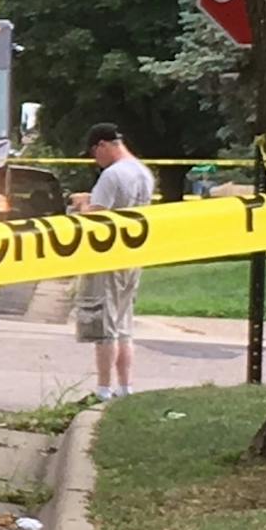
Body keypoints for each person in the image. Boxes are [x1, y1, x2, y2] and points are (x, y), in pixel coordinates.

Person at [70, 122, 155, 399]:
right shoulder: (143, 173)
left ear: (103, 145)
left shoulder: (112, 175)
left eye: (95, 153)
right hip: (133, 255)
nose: (96, 160)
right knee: (123, 324)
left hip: (108, 257)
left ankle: (103, 389)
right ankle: (125, 386)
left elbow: (96, 219)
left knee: (104, 324)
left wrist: (81, 203)